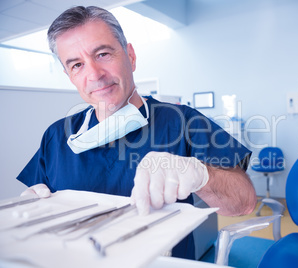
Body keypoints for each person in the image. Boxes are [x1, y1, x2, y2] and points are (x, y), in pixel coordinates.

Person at [17, 6, 257, 260]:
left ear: (130, 56)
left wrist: (200, 174)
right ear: (69, 76)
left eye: (103, 54)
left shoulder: (183, 122)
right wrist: (33, 208)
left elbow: (244, 203)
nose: (94, 75)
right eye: (77, 65)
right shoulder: (56, 136)